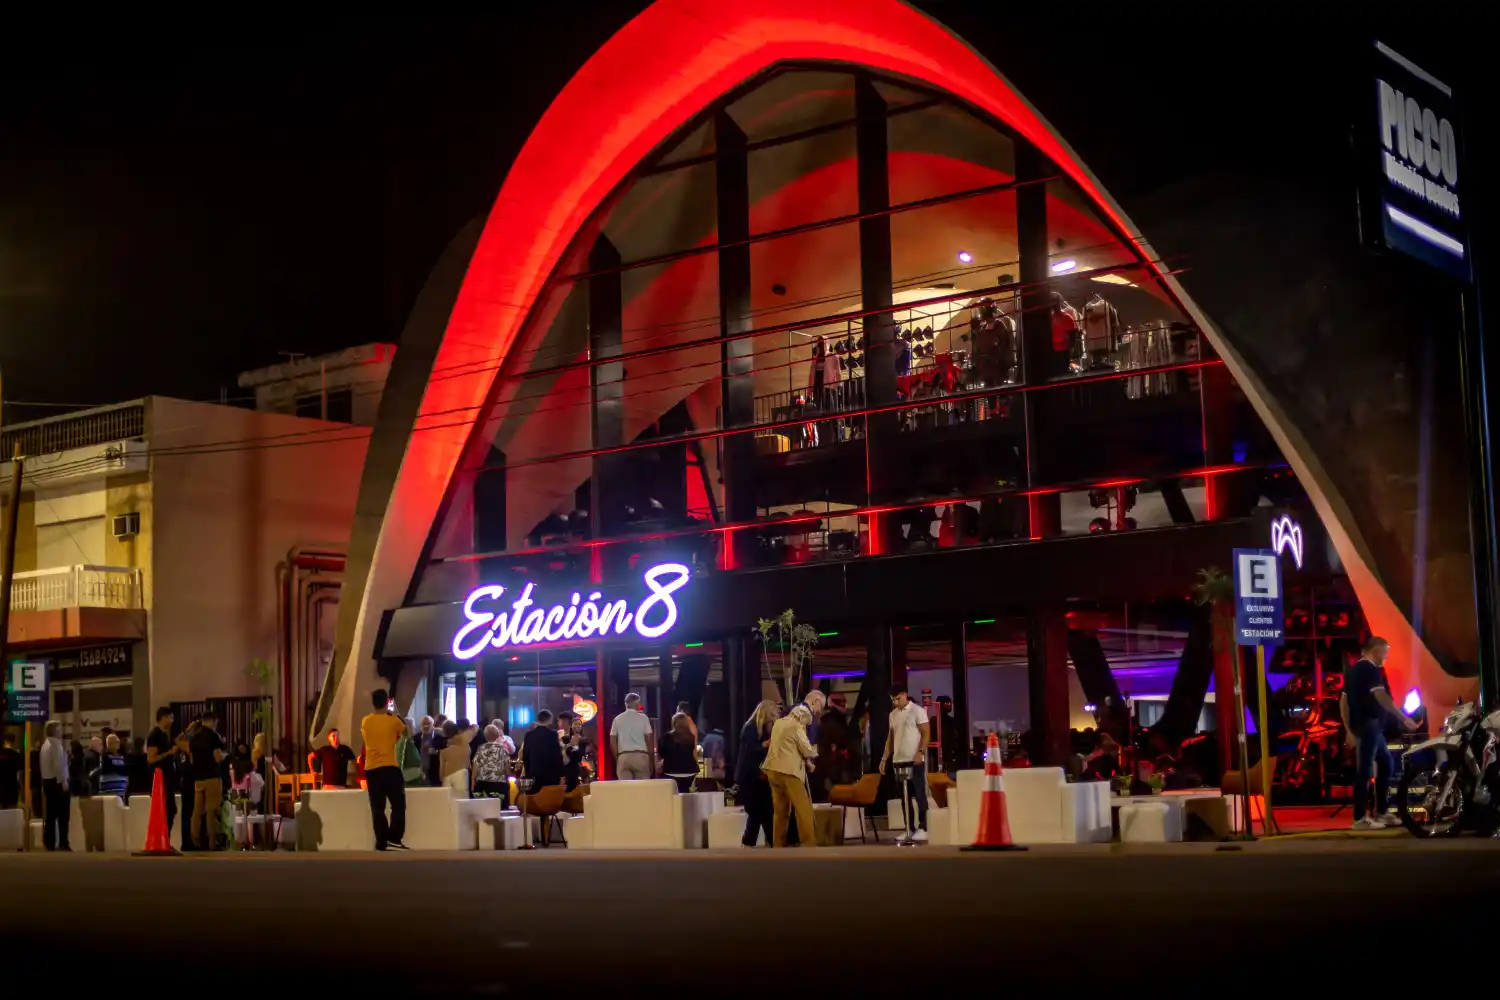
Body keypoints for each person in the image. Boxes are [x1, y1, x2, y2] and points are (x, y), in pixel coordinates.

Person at [1341, 636, 1417, 830]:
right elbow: (1381, 696)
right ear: (1376, 651)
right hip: (1369, 725)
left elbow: (1343, 702)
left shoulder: (1354, 670)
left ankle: (1381, 812)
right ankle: (1359, 818)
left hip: (1367, 725)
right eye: (1385, 653)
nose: (1386, 657)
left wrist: (1348, 730)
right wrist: (1403, 718)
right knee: (1365, 770)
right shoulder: (1370, 669)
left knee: (1385, 764)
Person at [879, 686, 931, 842]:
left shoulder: (917, 710)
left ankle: (924, 827)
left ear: (904, 695)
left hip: (914, 759)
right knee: (904, 795)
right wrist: (884, 758)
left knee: (919, 793)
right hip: (898, 760)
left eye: (898, 699)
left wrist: (920, 752)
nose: (896, 703)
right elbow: (891, 737)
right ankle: (909, 827)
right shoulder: (892, 715)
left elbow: (926, 733)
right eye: (893, 700)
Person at [763, 704, 818, 848]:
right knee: (803, 809)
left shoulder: (779, 723)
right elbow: (807, 750)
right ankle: (809, 842)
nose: (805, 726)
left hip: (772, 770)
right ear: (802, 717)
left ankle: (778, 844)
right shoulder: (796, 726)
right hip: (789, 772)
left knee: (780, 810)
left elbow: (788, 745)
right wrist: (815, 751)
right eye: (806, 722)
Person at [361, 687, 409, 851]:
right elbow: (408, 733)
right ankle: (394, 838)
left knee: (377, 806)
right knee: (398, 804)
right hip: (389, 766)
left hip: (371, 769)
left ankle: (381, 841)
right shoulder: (393, 720)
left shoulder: (366, 721)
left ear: (373, 703)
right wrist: (396, 714)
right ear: (387, 702)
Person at [735, 701, 779, 847]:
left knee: (761, 812)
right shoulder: (750, 729)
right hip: (750, 777)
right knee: (759, 812)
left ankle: (758, 842)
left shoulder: (760, 730)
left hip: (759, 777)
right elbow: (750, 753)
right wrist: (765, 745)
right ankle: (766, 841)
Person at [187, 712, 228, 850]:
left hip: (198, 779)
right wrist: (225, 755)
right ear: (213, 721)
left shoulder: (194, 738)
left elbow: (191, 760)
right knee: (212, 810)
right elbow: (218, 758)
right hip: (212, 777)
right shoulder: (213, 736)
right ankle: (212, 842)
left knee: (197, 811)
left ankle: (195, 838)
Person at [40, 722, 71, 851]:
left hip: (47, 781)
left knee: (50, 815)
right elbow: (58, 765)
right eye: (59, 729)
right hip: (56, 782)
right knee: (63, 814)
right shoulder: (56, 745)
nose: (61, 731)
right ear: (54, 731)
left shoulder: (45, 745)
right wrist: (63, 781)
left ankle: (49, 842)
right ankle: (63, 842)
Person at [610, 693, 655, 780]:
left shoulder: (617, 719)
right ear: (637, 704)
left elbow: (612, 741)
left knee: (626, 790)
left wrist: (618, 757)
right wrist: (651, 760)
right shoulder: (644, 718)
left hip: (623, 756)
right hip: (641, 756)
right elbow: (649, 740)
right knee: (641, 790)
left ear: (625, 704)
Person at [520, 711, 564, 791]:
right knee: (550, 800)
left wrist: (528, 773)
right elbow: (557, 755)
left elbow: (526, 755)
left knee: (536, 799)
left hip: (534, 773)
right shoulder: (552, 735)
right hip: (551, 774)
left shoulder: (529, 735)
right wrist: (561, 774)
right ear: (550, 719)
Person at [658, 712, 700, 792]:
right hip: (690, 773)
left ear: (673, 723)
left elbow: (661, 754)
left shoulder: (665, 737)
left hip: (670, 772)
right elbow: (693, 753)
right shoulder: (691, 737)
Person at [471, 724, 513, 801]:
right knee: (499, 809)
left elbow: (475, 765)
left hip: (482, 785)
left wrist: (473, 781)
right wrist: (510, 776)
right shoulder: (502, 749)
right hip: (498, 785)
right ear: (497, 735)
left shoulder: (481, 748)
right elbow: (507, 769)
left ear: (485, 736)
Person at [438, 720, 479, 785]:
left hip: (447, 774)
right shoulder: (463, 739)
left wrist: (441, 778)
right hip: (462, 773)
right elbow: (475, 728)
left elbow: (442, 765)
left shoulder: (443, 743)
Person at [92, 733, 130, 800]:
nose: (119, 743)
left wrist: (119, 769)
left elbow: (126, 770)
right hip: (107, 792)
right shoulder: (105, 757)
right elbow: (108, 768)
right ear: (110, 744)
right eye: (116, 742)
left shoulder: (122, 757)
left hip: (121, 792)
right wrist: (121, 769)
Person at [558, 711, 587, 791]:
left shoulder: (581, 739)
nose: (577, 726)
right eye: (576, 724)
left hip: (572, 771)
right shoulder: (559, 736)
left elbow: (578, 756)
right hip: (559, 770)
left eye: (579, 724)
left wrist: (569, 747)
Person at [397, 720, 425, 787]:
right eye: (413, 726)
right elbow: (401, 759)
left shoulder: (409, 740)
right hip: (409, 778)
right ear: (408, 727)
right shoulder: (405, 741)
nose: (415, 728)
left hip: (414, 776)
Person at [0, 732, 23, 810]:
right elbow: (20, 770)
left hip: (1, 787)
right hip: (12, 788)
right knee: (11, 812)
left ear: (4, 741)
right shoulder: (17, 755)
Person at [417, 716, 438, 784]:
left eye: (428, 723)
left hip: (434, 772)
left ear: (432, 725)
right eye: (424, 723)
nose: (426, 726)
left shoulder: (439, 738)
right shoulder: (416, 738)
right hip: (418, 772)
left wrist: (436, 751)